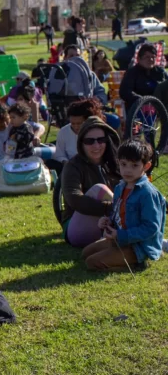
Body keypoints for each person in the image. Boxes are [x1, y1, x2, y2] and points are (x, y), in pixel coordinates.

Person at [83, 140, 166, 271]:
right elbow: (118, 214)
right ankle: (117, 256)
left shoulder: (147, 193)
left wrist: (121, 235)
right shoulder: (120, 187)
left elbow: (151, 227)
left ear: (146, 166)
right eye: (124, 164)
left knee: (92, 262)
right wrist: (107, 221)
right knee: (86, 253)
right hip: (120, 240)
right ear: (118, 162)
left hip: (138, 247)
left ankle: (137, 264)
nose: (128, 170)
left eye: (134, 165)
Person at [61, 117, 121, 247]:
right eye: (89, 141)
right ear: (81, 143)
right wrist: (111, 207)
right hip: (77, 229)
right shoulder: (73, 166)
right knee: (99, 189)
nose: (96, 145)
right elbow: (74, 199)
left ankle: (146, 238)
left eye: (101, 140)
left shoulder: (115, 163)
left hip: (107, 225)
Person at [0, 102, 45, 176]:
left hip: (14, 162)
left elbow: (40, 127)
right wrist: (8, 162)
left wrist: (36, 136)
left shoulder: (13, 122)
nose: (5, 125)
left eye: (7, 120)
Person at [50, 98, 104, 174]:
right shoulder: (63, 131)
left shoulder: (97, 132)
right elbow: (59, 154)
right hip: (71, 166)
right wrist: (66, 162)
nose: (76, 126)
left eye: (79, 123)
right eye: (73, 123)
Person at [119, 44, 168, 113]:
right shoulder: (132, 73)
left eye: (153, 57)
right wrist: (143, 100)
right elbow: (125, 92)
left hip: (161, 105)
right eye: (147, 57)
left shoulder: (161, 72)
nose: (150, 59)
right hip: (140, 107)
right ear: (139, 59)